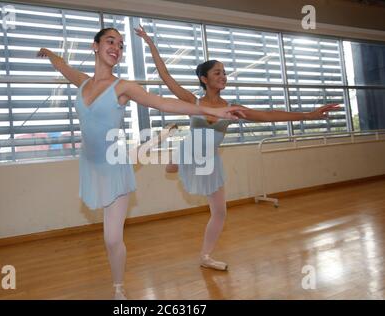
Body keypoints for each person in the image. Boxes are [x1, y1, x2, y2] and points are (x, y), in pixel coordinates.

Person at [37, 27, 244, 300]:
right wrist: (49, 53)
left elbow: (163, 103)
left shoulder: (123, 87)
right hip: (89, 165)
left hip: (115, 165)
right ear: (95, 46)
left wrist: (210, 109)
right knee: (109, 234)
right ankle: (163, 146)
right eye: (111, 41)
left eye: (121, 45)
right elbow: (62, 66)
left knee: (112, 238)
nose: (117, 47)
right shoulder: (83, 82)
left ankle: (118, 288)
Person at [135, 25, 340, 271]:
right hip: (191, 150)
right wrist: (150, 44)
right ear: (204, 79)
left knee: (220, 212)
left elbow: (269, 115)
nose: (223, 76)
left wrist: (308, 115)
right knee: (178, 160)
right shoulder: (194, 101)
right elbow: (166, 77)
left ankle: (206, 256)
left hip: (210, 160)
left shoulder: (233, 108)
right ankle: (176, 156)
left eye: (224, 72)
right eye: (217, 72)